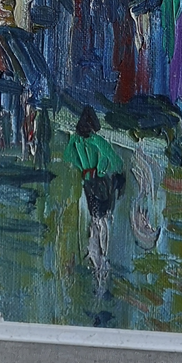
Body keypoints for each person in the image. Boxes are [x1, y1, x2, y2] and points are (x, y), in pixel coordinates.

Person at [62, 105, 125, 295]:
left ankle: (98, 265)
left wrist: (82, 166)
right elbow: (115, 160)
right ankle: (102, 261)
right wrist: (103, 168)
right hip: (100, 184)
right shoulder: (96, 140)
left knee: (95, 221)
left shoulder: (76, 140)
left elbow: (68, 156)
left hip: (88, 184)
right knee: (102, 221)